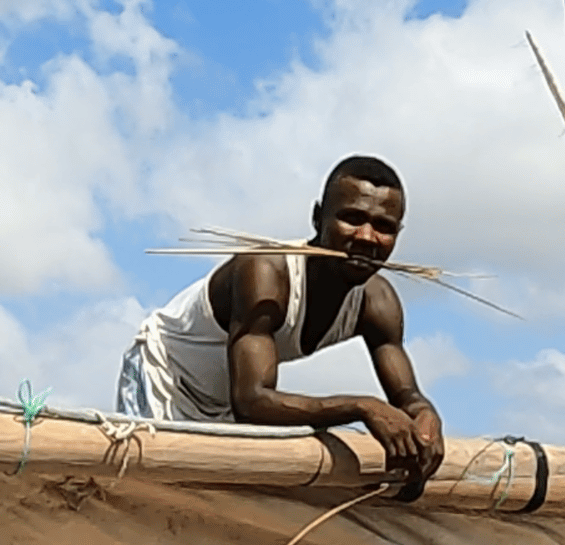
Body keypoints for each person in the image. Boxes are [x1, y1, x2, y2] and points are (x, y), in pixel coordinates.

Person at [117, 154, 445, 480]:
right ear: (318, 218)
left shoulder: (378, 302)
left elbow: (408, 396)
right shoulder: (266, 272)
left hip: (223, 406)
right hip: (165, 381)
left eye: (384, 227)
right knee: (143, 492)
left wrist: (425, 416)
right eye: (351, 218)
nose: (366, 237)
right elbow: (252, 401)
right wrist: (362, 407)